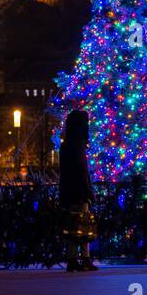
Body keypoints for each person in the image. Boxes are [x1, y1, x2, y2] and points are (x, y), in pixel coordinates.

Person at [59, 109, 97, 271]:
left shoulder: (65, 145)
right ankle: (85, 259)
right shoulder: (79, 146)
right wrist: (89, 193)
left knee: (73, 225)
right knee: (84, 226)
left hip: (68, 191)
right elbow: (82, 172)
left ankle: (72, 259)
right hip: (80, 192)